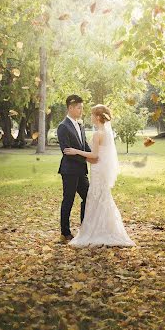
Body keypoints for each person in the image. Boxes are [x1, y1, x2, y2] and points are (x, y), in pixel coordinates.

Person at [64, 104, 136, 248]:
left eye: (91, 114)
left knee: (96, 198)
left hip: (97, 170)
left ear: (97, 117)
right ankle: (107, 229)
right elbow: (99, 156)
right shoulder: (107, 133)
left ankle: (96, 231)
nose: (90, 117)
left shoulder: (98, 134)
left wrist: (76, 151)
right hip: (99, 169)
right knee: (103, 198)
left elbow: (95, 155)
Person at [57, 95, 97, 243]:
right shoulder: (63, 126)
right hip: (69, 171)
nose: (81, 110)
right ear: (70, 108)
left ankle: (84, 228)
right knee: (68, 199)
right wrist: (84, 157)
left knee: (89, 197)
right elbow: (66, 150)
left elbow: (84, 145)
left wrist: (93, 157)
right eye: (79, 107)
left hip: (81, 171)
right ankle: (65, 233)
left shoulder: (80, 125)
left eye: (82, 107)